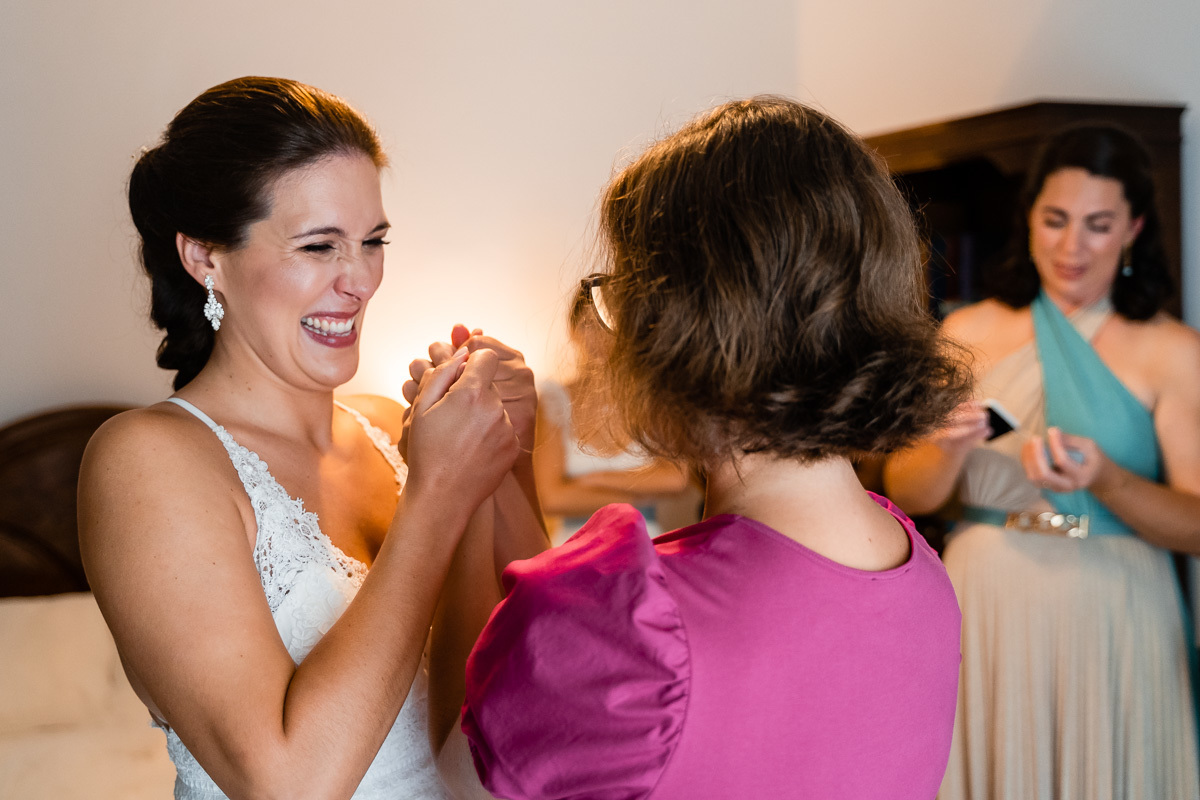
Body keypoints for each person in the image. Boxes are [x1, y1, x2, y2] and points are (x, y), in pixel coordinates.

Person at [426, 96, 970, 799]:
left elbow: (465, 765)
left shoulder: (629, 625)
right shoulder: (922, 575)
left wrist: (456, 487)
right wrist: (509, 466)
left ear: (686, 322)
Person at [78, 76, 542, 800]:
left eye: (373, 242)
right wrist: (439, 493)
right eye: (320, 245)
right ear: (204, 258)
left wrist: (510, 458)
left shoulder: (394, 427)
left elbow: (535, 673)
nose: (359, 281)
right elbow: (288, 784)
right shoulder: (147, 461)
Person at [883, 124, 1200, 799]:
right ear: (1028, 218)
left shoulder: (1171, 350)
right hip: (987, 592)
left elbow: (1197, 525)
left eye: (1097, 225)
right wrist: (945, 446)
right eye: (1054, 220)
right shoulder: (967, 332)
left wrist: (1109, 480)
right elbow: (906, 494)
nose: (1070, 246)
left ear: (1134, 229)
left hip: (1114, 606)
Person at [533, 293, 700, 545]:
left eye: (606, 324)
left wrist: (596, 479)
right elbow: (551, 498)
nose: (597, 336)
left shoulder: (652, 396)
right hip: (575, 542)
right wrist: (635, 498)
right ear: (573, 330)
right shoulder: (554, 398)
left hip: (644, 540)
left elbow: (676, 479)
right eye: (587, 324)